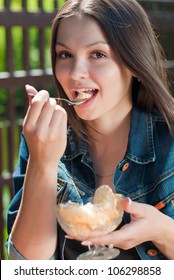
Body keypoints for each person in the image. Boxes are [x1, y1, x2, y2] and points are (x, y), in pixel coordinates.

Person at [6, 0, 174, 260]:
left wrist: (163, 232)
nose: (75, 74)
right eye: (65, 55)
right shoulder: (42, 137)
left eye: (97, 54)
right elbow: (24, 266)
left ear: (134, 62)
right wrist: (43, 161)